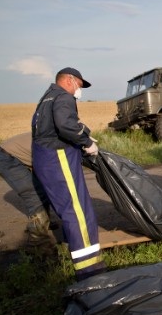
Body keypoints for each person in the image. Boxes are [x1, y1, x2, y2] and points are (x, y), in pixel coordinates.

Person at [31, 67, 106, 281]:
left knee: (66, 209)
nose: (80, 91)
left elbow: (53, 127)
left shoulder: (47, 97)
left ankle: (74, 251)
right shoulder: (63, 97)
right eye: (80, 85)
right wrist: (86, 142)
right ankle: (90, 271)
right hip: (58, 158)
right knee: (78, 212)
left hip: (45, 159)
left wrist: (83, 132)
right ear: (70, 80)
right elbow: (65, 125)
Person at [0, 132, 55, 255]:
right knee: (34, 195)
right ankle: (37, 245)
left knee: (42, 188)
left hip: (11, 155)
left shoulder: (52, 135)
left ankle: (44, 223)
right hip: (5, 158)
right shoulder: (52, 143)